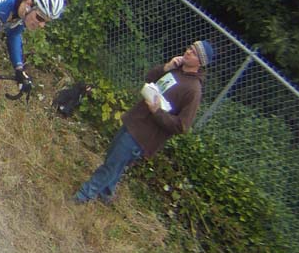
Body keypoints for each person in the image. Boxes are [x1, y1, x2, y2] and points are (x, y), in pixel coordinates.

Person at [74, 41, 215, 204]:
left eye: (195, 53)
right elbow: (149, 78)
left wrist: (157, 112)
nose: (189, 52)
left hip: (144, 135)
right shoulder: (175, 69)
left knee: (112, 164)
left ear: (200, 63)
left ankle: (83, 196)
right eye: (190, 48)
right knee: (114, 158)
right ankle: (106, 193)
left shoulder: (193, 90)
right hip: (135, 120)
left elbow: (182, 126)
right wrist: (166, 67)